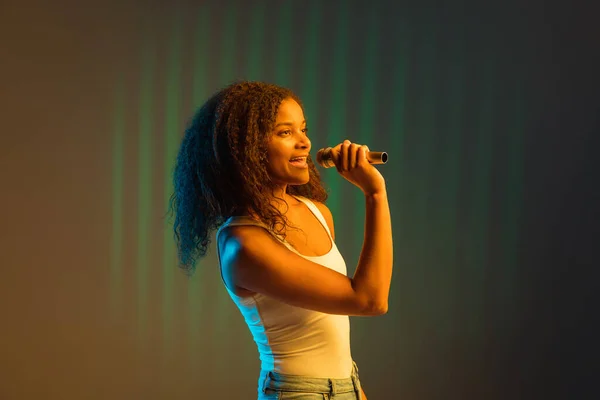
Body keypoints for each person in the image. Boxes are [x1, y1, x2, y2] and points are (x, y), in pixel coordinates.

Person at [170, 81, 393, 399]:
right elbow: (370, 300)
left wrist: (352, 390)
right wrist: (374, 193)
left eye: (303, 129)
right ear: (246, 148)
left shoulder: (317, 212)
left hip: (348, 386)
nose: (305, 143)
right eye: (285, 132)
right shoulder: (244, 245)